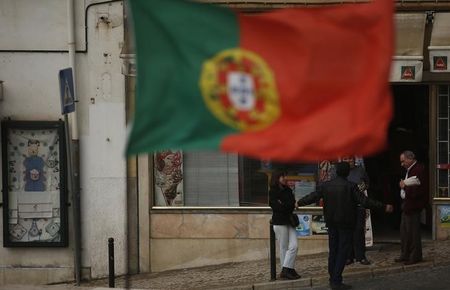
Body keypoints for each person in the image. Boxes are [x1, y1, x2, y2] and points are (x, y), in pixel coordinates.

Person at [297, 162, 393, 290]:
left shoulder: (326, 186)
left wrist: (299, 202)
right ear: (347, 173)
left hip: (331, 222)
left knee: (333, 251)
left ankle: (333, 278)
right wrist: (383, 206)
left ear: (336, 171)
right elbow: (365, 201)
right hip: (346, 223)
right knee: (342, 251)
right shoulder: (351, 186)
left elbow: (312, 197)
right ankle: (336, 280)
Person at [395, 150, 428, 265]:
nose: (402, 164)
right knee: (404, 232)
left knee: (413, 233)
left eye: (403, 161)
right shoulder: (410, 170)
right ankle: (405, 254)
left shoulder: (418, 170)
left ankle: (414, 256)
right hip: (407, 205)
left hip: (413, 206)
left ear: (410, 159)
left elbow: (418, 190)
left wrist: (404, 186)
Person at [269, 170, 301, 280]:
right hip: (279, 222)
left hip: (289, 221)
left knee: (294, 246)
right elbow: (276, 207)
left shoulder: (288, 189)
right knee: (283, 247)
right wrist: (287, 205)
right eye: (282, 176)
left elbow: (291, 204)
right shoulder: (273, 191)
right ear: (276, 178)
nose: (284, 178)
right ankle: (288, 270)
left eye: (284, 175)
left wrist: (284, 204)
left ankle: (285, 269)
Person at [341, 156, 371, 266]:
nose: (348, 161)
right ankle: (349, 257)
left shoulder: (360, 170)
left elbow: (367, 183)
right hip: (345, 206)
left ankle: (361, 257)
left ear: (354, 160)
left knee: (359, 231)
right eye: (346, 159)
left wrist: (363, 187)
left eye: (350, 159)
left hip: (359, 205)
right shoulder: (339, 171)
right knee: (347, 232)